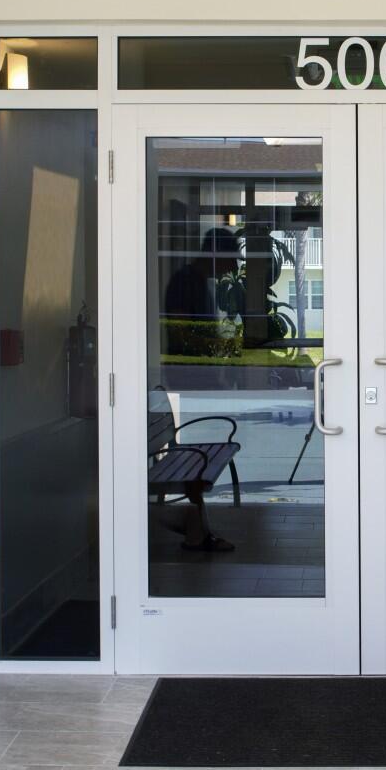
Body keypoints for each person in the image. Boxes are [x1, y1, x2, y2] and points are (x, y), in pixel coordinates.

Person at [159, 226, 241, 552]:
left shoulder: (199, 282)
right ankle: (196, 529)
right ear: (216, 254)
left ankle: (199, 528)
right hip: (189, 382)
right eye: (231, 259)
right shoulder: (185, 282)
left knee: (205, 455)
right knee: (198, 459)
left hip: (198, 380)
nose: (233, 268)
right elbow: (181, 334)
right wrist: (212, 351)